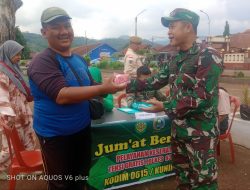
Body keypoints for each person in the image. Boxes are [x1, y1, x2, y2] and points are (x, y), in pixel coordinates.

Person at [27, 7, 125, 190]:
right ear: (44, 32)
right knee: (61, 184)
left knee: (80, 177)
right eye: (56, 27)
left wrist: (110, 87)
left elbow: (91, 86)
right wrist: (103, 88)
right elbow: (62, 95)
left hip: (81, 129)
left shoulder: (79, 60)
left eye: (67, 25)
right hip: (55, 136)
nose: (64, 31)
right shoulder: (42, 61)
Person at [127, 8, 223, 189]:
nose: (168, 32)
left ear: (187, 27)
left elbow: (201, 98)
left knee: (203, 182)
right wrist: (123, 84)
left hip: (199, 134)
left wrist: (164, 105)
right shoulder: (176, 58)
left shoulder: (208, 55)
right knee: (183, 179)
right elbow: (154, 81)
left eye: (172, 26)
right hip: (178, 131)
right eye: (168, 27)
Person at [0, 40, 36, 179]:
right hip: (11, 118)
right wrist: (9, 117)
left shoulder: (14, 70)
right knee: (9, 148)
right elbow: (2, 98)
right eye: (16, 54)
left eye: (20, 54)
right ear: (8, 53)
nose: (19, 57)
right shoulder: (2, 72)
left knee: (29, 140)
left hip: (23, 114)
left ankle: (28, 168)